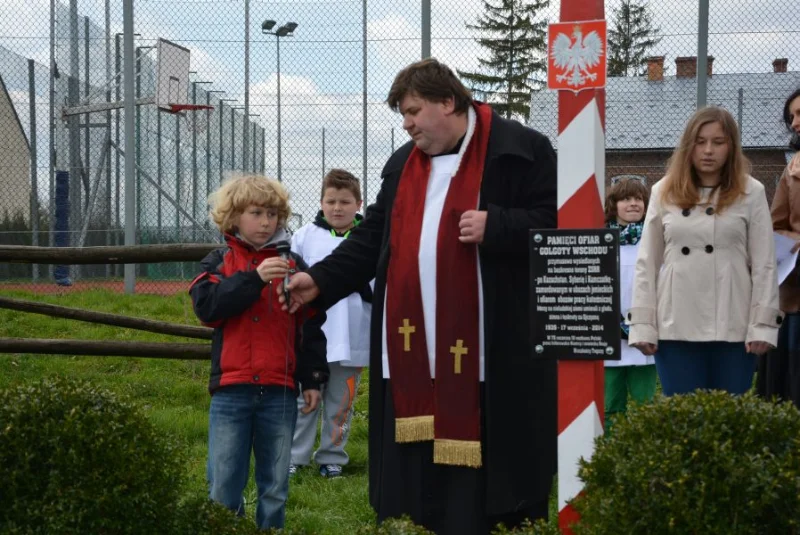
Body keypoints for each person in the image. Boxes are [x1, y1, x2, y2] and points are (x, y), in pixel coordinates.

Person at [280, 58, 557, 535]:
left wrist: (501, 225)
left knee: (491, 484)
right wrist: (320, 281)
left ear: (447, 102)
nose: (406, 125)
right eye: (403, 116)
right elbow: (371, 242)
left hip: (493, 349)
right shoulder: (403, 165)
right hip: (410, 348)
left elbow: (563, 223)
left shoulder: (521, 149)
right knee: (416, 483)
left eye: (412, 112)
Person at [188, 174, 329, 530]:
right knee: (223, 483)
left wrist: (313, 378)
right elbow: (208, 307)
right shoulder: (218, 262)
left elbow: (311, 325)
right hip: (231, 391)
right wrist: (255, 279)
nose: (266, 222)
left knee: (275, 485)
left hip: (279, 392)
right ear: (234, 217)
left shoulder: (294, 264)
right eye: (256, 213)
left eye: (272, 214)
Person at [628, 106, 782, 396]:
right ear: (688, 145)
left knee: (728, 424)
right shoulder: (663, 191)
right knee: (683, 427)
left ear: (732, 147)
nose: (708, 150)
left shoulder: (752, 192)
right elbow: (646, 262)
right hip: (675, 325)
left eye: (718, 142)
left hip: (733, 325)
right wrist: (643, 324)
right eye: (700, 141)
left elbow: (765, 264)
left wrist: (763, 325)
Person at [289, 169, 372, 478]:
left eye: (345, 202)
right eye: (331, 201)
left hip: (354, 339)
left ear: (359, 203)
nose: (338, 208)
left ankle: (332, 456)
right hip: (312, 338)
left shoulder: (369, 240)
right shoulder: (304, 236)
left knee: (341, 402)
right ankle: (296, 456)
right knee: (305, 398)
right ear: (321, 203)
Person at [757, 87, 800, 407]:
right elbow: (777, 224)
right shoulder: (793, 169)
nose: (795, 123)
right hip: (796, 292)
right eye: (791, 117)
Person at [603, 177, 656, 429]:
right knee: (609, 404)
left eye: (639, 199)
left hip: (644, 336)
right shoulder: (601, 241)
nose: (634, 204)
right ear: (614, 205)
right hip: (610, 337)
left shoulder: (655, 240)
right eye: (626, 199)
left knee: (646, 406)